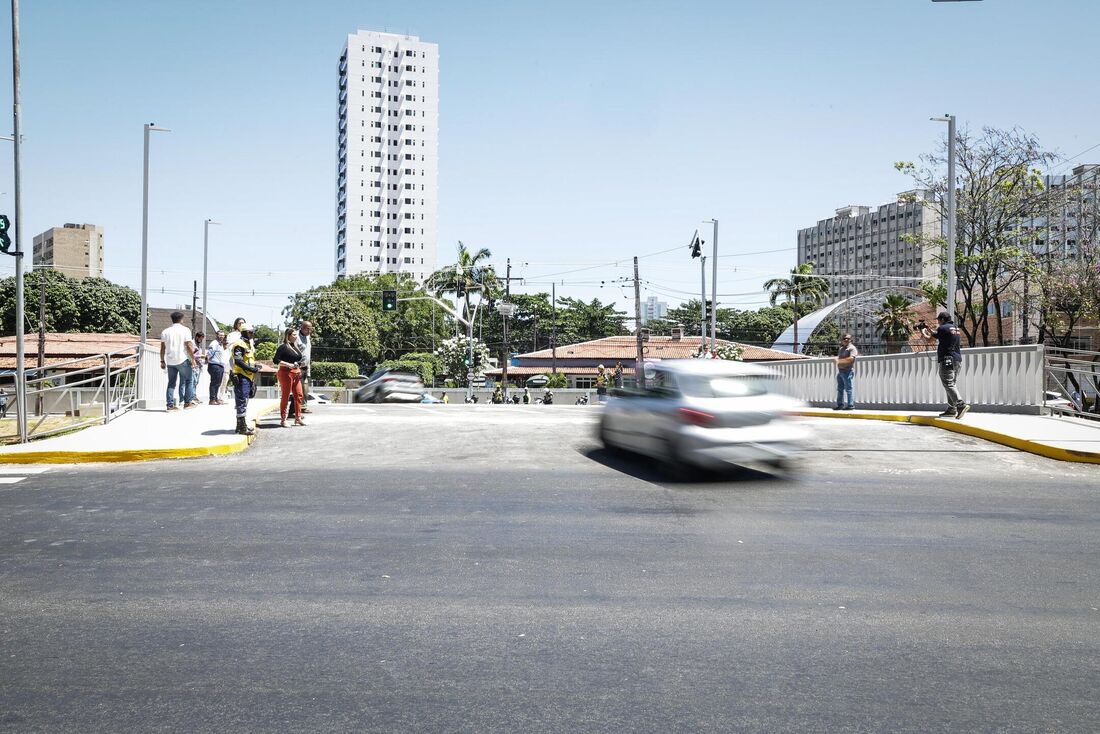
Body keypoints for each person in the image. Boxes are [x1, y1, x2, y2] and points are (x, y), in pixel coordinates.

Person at [918, 312, 970, 419]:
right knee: (952, 384)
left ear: (942, 319)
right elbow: (937, 335)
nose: (937, 321)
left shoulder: (942, 328)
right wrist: (928, 329)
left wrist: (923, 331)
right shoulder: (954, 328)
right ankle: (952, 409)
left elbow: (930, 339)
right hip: (957, 359)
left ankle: (960, 405)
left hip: (947, 359)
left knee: (948, 383)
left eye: (938, 320)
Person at [159, 310, 198, 411]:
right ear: (181, 320)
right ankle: (187, 403)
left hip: (170, 361)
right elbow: (189, 346)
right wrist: (193, 359)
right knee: (189, 380)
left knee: (171, 382)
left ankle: (170, 405)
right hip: (182, 360)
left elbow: (162, 348)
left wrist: (162, 361)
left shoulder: (165, 331)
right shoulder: (185, 330)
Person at [229, 323, 261, 435]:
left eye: (253, 332)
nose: (252, 334)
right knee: (242, 402)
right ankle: (242, 427)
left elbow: (248, 360)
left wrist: (254, 368)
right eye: (250, 332)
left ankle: (240, 426)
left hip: (247, 376)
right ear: (244, 332)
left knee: (245, 400)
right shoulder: (240, 344)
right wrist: (251, 369)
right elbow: (238, 360)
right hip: (242, 376)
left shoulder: (248, 344)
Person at [273, 326, 306, 427]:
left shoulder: (295, 346)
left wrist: (300, 364)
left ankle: (298, 418)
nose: (296, 336)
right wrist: (288, 364)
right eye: (294, 335)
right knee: (286, 396)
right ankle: (283, 419)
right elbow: (276, 360)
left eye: (296, 334)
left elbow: (298, 359)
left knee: (299, 395)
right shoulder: (283, 347)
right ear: (288, 336)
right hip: (286, 373)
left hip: (296, 373)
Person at [222, 317, 247, 400]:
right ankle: (221, 396)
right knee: (228, 378)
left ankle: (241, 398)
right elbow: (227, 346)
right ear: (236, 324)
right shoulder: (232, 335)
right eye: (239, 323)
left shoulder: (247, 334)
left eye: (243, 323)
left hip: (244, 360)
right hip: (232, 360)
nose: (241, 325)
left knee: (242, 380)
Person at [833, 334, 858, 410]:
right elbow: (840, 358)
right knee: (840, 389)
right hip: (840, 371)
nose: (846, 340)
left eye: (848, 338)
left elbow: (851, 359)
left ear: (850, 340)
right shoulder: (841, 349)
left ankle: (850, 405)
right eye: (844, 338)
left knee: (849, 389)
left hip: (847, 371)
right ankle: (840, 405)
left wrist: (838, 361)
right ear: (842, 340)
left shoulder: (852, 348)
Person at [296, 320, 314, 413]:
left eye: (310, 329)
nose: (309, 331)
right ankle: (296, 409)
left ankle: (303, 407)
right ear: (302, 328)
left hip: (306, 368)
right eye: (308, 329)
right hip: (298, 368)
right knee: (298, 390)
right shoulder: (296, 337)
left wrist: (309, 370)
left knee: (305, 389)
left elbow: (308, 353)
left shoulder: (308, 337)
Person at [206, 330, 227, 406]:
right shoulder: (214, 343)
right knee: (214, 383)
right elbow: (209, 353)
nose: (222, 336)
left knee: (218, 383)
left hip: (220, 365)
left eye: (223, 335)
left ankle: (215, 398)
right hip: (214, 365)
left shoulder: (220, 344)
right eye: (220, 335)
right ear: (216, 335)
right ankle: (212, 399)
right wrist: (208, 360)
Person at [191, 332, 206, 404]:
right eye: (200, 339)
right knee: (193, 381)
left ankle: (194, 396)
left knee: (196, 381)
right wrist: (201, 356)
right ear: (197, 337)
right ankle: (191, 397)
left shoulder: (198, 344)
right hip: (193, 365)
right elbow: (191, 354)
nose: (201, 340)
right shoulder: (192, 343)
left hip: (198, 365)